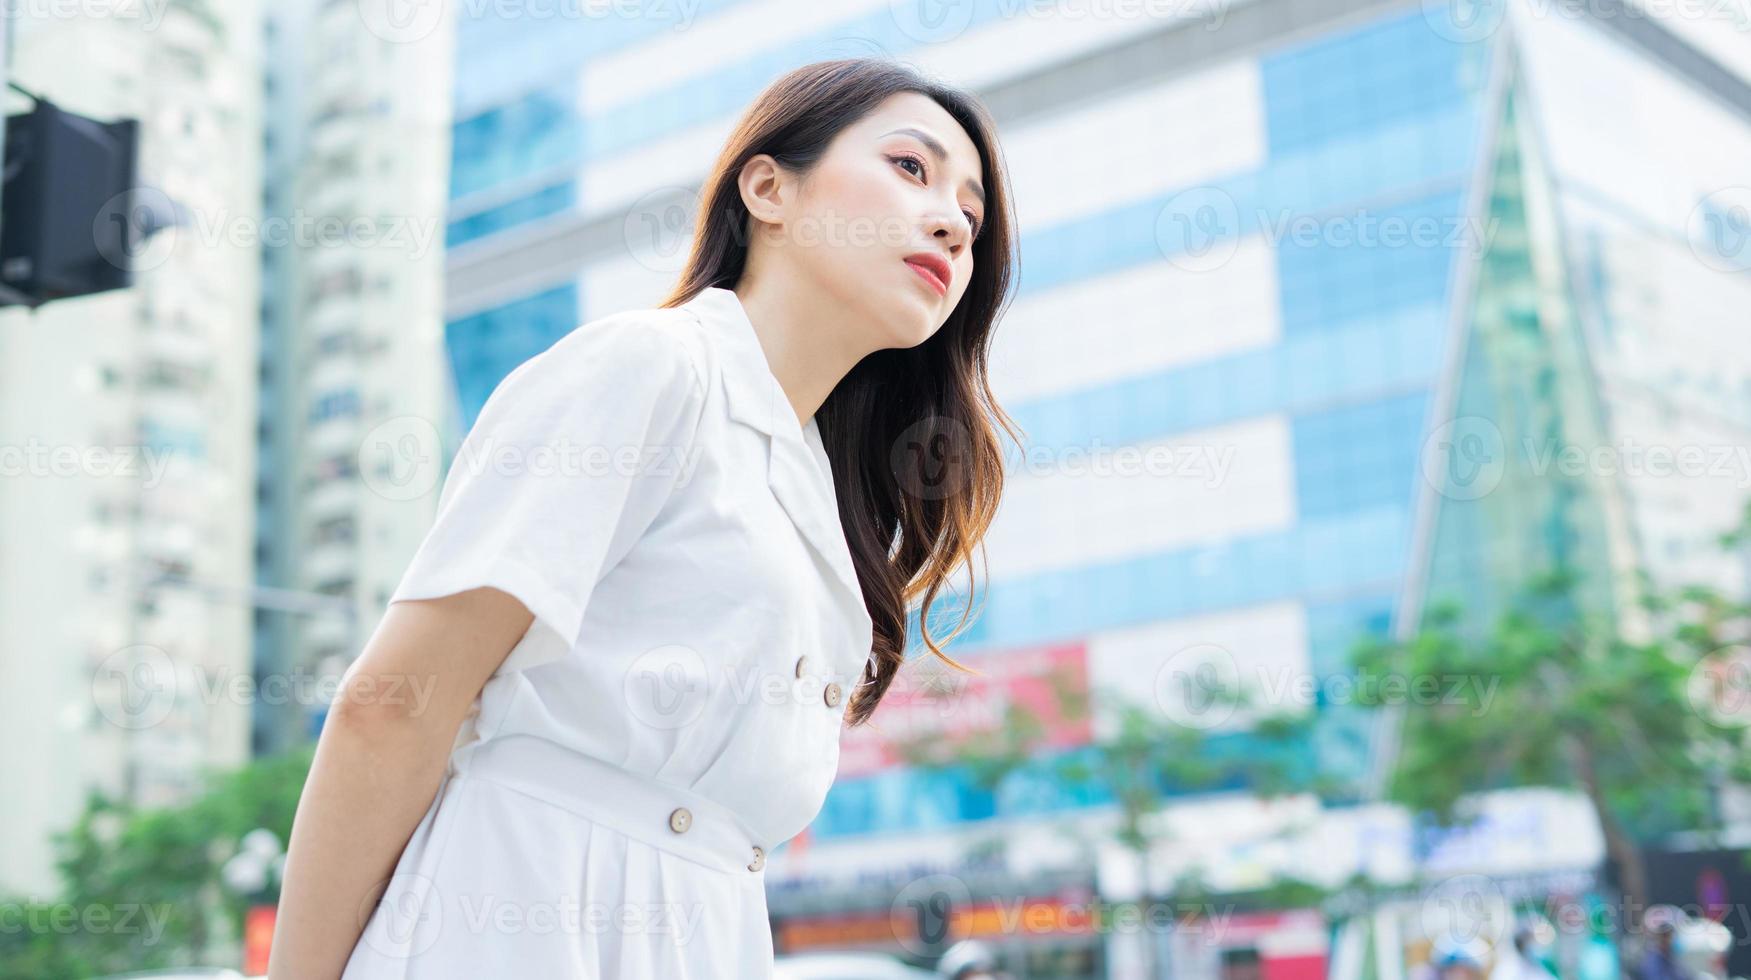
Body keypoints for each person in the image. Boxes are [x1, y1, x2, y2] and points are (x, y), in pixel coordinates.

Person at [269, 56, 1018, 978]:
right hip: (519, 915)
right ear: (767, 187)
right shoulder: (649, 370)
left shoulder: (823, 502)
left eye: (971, 216)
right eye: (911, 168)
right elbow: (393, 706)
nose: (950, 219)